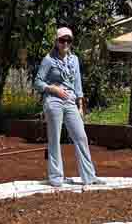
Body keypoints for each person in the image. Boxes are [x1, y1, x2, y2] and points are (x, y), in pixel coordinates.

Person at [35, 27, 98, 187]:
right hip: (53, 101)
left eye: (68, 40)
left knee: (81, 136)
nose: (65, 43)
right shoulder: (49, 59)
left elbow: (78, 83)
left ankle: (89, 176)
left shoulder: (74, 59)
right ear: (56, 41)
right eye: (62, 40)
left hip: (70, 101)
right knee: (55, 139)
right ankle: (56, 177)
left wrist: (80, 105)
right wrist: (54, 88)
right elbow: (38, 82)